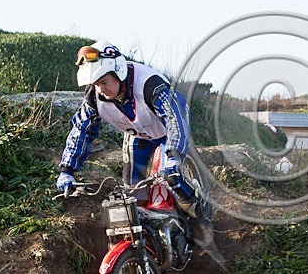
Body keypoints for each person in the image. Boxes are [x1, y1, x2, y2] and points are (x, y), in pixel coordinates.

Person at [56, 40, 207, 226]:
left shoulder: (150, 85)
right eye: (96, 84)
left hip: (167, 131)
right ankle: (148, 240)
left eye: (104, 82)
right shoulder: (94, 97)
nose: (101, 89)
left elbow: (175, 121)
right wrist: (67, 170)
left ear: (119, 72)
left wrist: (175, 155)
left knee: (171, 177)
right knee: (133, 193)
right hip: (137, 135)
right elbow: (81, 129)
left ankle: (199, 215)